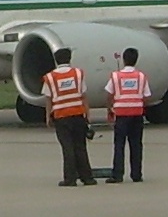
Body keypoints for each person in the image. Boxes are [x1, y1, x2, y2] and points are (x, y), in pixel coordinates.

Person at [41, 47, 95, 186]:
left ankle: (70, 178)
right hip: (78, 113)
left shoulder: (50, 77)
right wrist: (87, 114)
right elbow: (83, 95)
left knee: (67, 147)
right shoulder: (77, 74)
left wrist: (48, 116)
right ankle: (87, 177)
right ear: (69, 59)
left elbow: (48, 99)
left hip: (61, 116)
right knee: (80, 147)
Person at [105, 47, 152, 183]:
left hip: (121, 114)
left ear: (123, 60)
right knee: (136, 145)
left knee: (119, 145)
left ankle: (117, 175)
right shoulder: (141, 76)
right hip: (137, 114)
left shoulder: (116, 76)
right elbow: (147, 96)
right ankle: (136, 174)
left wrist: (110, 109)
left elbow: (109, 94)